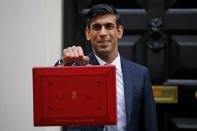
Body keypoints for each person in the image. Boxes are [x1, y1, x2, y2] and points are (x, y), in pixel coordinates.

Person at [55, 4, 158, 131]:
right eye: (96, 27)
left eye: (109, 26)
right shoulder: (76, 68)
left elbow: (149, 124)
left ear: (119, 31)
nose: (103, 33)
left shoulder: (140, 74)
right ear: (88, 33)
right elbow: (53, 97)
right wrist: (62, 62)